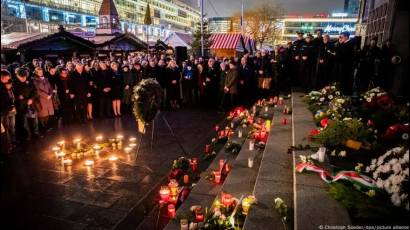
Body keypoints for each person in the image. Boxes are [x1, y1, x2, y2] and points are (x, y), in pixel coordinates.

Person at [13, 67, 39, 140]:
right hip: (22, 106)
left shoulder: (29, 80)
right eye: (22, 78)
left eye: (25, 77)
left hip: (31, 103)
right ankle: (28, 135)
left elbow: (34, 91)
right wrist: (24, 100)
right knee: (25, 121)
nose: (24, 79)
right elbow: (16, 96)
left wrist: (31, 99)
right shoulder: (15, 83)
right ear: (17, 76)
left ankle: (36, 133)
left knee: (35, 119)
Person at [32, 67, 54, 132]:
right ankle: (43, 128)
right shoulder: (35, 80)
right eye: (39, 72)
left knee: (48, 114)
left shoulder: (46, 79)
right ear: (36, 73)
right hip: (42, 99)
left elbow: (50, 87)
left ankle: (47, 127)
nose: (41, 73)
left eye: (41, 72)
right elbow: (38, 90)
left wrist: (50, 94)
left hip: (48, 99)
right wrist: (46, 96)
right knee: (43, 114)